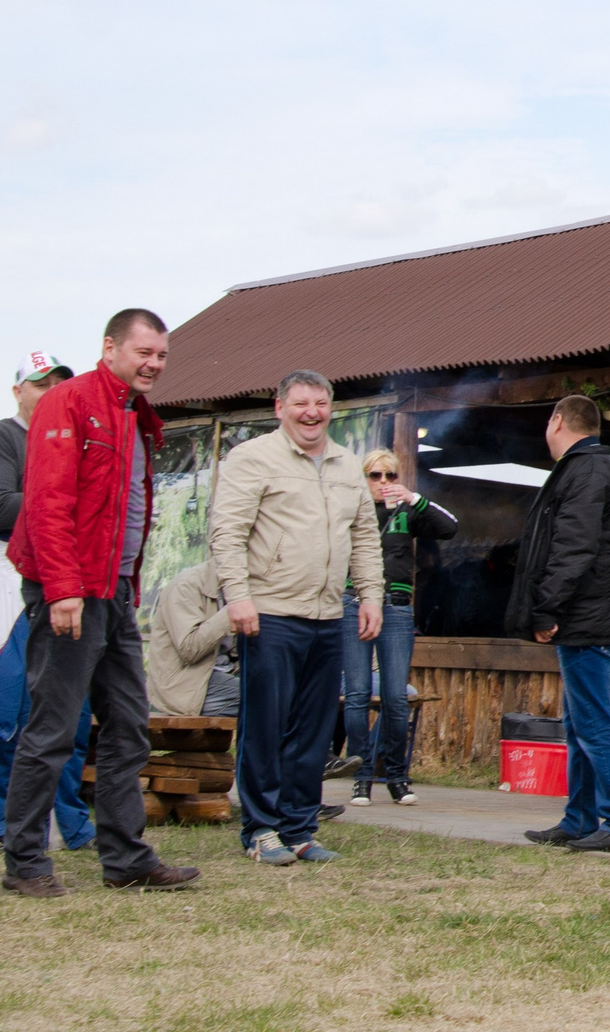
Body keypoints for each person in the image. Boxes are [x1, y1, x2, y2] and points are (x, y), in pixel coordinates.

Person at [0, 311, 199, 896]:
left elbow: (125, 509)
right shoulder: (69, 401)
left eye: (161, 356)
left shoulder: (135, 415)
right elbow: (47, 502)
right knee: (53, 729)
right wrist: (62, 590)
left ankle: (126, 860)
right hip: (70, 590)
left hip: (113, 592)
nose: (153, 364)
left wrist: (125, 589)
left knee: (129, 728)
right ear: (110, 347)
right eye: (144, 352)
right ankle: (26, 864)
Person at [210, 369, 384, 868]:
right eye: (301, 403)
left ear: (332, 408)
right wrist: (237, 595)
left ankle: (300, 827)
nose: (312, 413)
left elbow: (365, 537)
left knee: (313, 729)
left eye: (321, 403)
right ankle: (261, 829)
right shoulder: (251, 458)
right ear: (279, 406)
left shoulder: (348, 464)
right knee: (266, 725)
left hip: (329, 614)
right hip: (269, 612)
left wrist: (369, 595)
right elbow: (228, 532)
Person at [509, 395, 610, 853]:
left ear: (558, 420)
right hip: (600, 614)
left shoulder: (584, 471)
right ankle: (581, 818)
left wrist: (546, 607)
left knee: (594, 723)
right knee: (581, 722)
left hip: (588, 617)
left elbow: (573, 547)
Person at [0, 353, 92, 857]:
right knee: (7, 705)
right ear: (19, 390)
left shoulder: (73, 437)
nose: (49, 391)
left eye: (58, 383)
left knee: (71, 705)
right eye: (39, 384)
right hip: (7, 567)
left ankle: (71, 822)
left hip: (65, 569)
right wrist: (62, 495)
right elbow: (0, 506)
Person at [343, 449, 456, 808]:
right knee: (358, 694)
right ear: (364, 479)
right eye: (376, 476)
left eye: (390, 476)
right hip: (355, 603)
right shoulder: (351, 510)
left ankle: (396, 776)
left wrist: (414, 498)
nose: (384, 483)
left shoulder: (406, 511)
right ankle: (360, 778)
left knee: (395, 697)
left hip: (396, 606)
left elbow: (449, 527)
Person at [145, 560, 234, 716]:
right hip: (185, 686)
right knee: (263, 698)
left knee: (284, 691)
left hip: (225, 675)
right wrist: (235, 608)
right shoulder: (185, 585)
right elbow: (190, 648)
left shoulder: (246, 586)